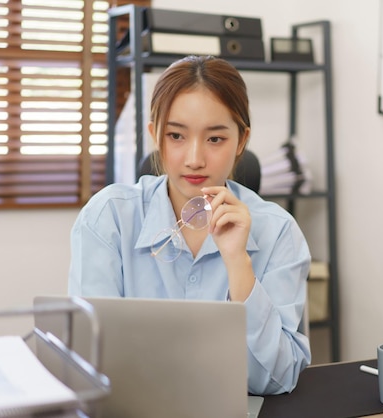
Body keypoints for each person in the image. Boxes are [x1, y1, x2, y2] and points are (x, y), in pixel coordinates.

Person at [68, 55, 312, 395]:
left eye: (215, 139)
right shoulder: (108, 218)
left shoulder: (278, 232)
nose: (194, 158)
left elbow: (278, 379)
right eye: (176, 136)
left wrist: (239, 264)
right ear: (156, 135)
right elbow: (88, 363)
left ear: (241, 141)